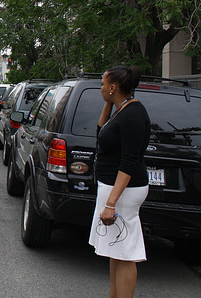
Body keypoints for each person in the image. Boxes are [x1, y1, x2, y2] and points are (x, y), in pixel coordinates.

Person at [89, 65, 150, 298]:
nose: (101, 88)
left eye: (104, 85)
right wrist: (110, 101)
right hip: (115, 189)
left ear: (113, 87)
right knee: (116, 248)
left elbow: (129, 162)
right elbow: (101, 131)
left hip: (124, 192)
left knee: (125, 252)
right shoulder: (122, 109)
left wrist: (111, 204)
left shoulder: (133, 115)